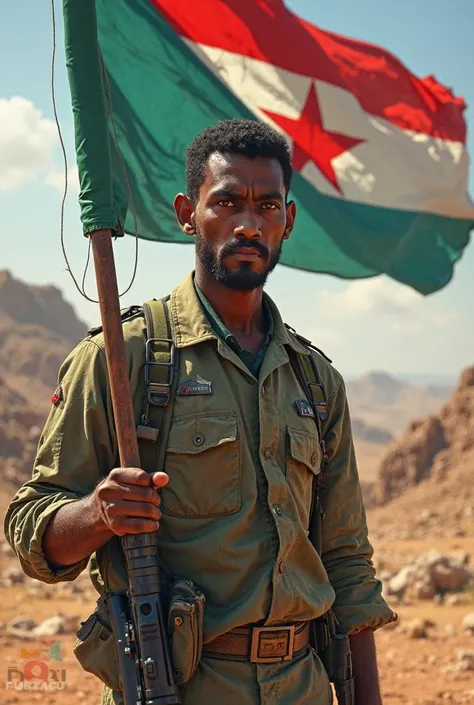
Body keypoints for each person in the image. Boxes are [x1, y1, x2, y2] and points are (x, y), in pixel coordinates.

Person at [4, 119, 395, 705]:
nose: (248, 223)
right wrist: (97, 514)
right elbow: (33, 529)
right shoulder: (123, 358)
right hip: (180, 686)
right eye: (227, 202)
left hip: (304, 685)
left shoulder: (315, 380)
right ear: (188, 213)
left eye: (267, 206)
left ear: (287, 221)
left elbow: (347, 564)